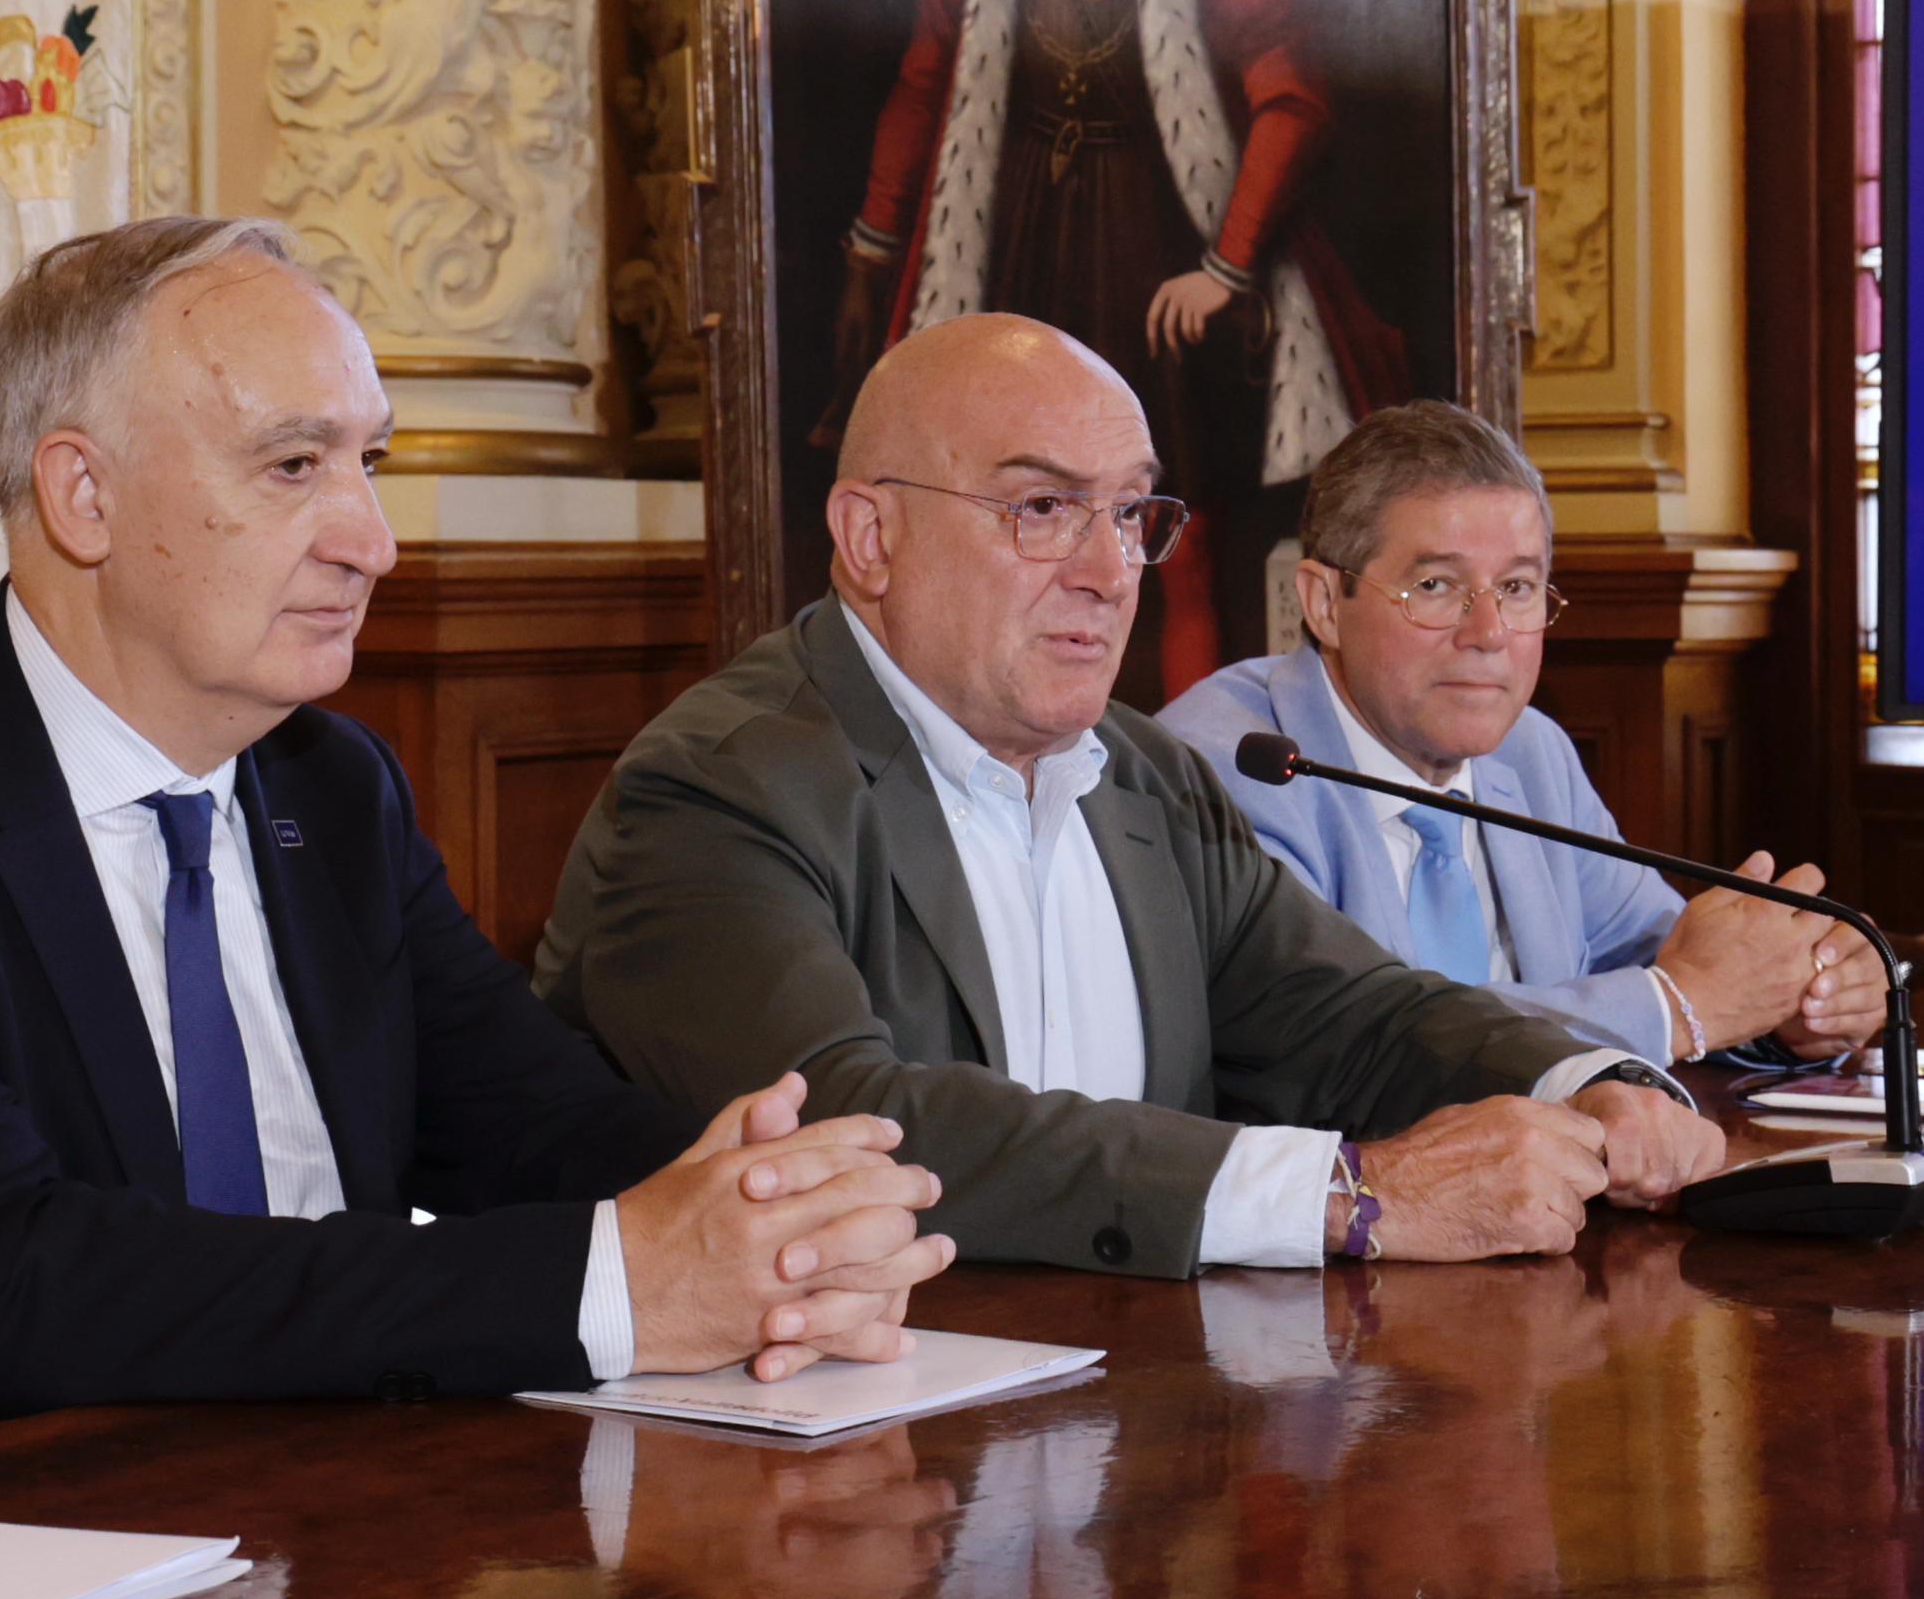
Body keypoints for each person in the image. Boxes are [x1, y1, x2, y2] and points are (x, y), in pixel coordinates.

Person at [0, 215, 952, 1420]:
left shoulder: (332, 788)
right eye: (294, 466)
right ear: (83, 497)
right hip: (43, 1532)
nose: (372, 543)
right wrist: (612, 1283)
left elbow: (537, 1126)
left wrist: (765, 1210)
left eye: (367, 464)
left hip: (353, 1503)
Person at [534, 314, 1726, 1275]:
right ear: (871, 537)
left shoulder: (1144, 774)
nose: (1108, 573)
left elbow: (1349, 1016)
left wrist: (1584, 1082)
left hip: (1147, 1428)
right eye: (1041, 509)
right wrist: (1341, 1194)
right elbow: (843, 1132)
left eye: (1129, 516)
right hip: (823, 1450)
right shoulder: (717, 788)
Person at [819, 0, 1410, 693]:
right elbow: (929, 69)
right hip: (1023, 231)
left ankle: (1184, 769)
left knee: (1176, 541)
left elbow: (1291, 93)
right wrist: (874, 240)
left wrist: (1227, 266)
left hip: (1160, 239)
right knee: (997, 533)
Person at [1160, 403, 1891, 1070]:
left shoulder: (1529, 753)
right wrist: (1675, 1008)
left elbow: (1676, 962)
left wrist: (1800, 999)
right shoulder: (1230, 767)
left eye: (1516, 589)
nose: (1488, 634)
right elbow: (1346, 1039)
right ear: (1324, 603)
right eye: (1436, 586)